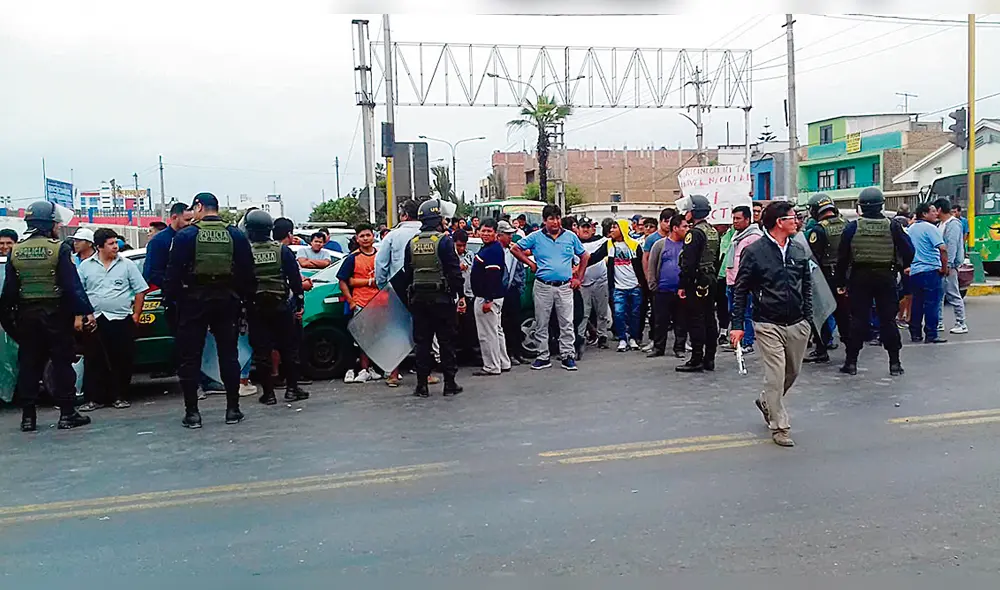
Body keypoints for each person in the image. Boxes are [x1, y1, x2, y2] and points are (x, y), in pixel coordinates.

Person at [0, 201, 94, 432]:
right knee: (62, 364)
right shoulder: (59, 249)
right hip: (56, 316)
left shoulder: (16, 251)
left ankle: (28, 418)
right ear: (48, 224)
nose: (58, 226)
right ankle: (67, 414)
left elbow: (9, 292)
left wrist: (12, 326)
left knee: (29, 366)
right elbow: (72, 286)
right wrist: (85, 312)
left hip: (26, 317)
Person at [164, 192, 255, 428]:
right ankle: (233, 410)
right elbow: (248, 273)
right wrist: (243, 301)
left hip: (193, 301)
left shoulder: (186, 235)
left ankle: (192, 413)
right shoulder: (235, 235)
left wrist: (171, 301)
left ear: (199, 206)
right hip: (227, 301)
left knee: (190, 358)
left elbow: (172, 273)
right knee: (229, 355)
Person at [730, 201, 813, 448]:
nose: (796, 221)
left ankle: (767, 402)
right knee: (775, 376)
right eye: (792, 217)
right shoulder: (755, 252)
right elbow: (741, 290)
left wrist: (807, 319)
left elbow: (807, 285)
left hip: (797, 324)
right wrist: (737, 324)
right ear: (780, 222)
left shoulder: (799, 249)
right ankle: (780, 426)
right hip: (767, 324)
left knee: (792, 372)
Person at [836, 187, 913, 377]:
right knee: (888, 320)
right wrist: (901, 264)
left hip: (859, 277)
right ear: (882, 205)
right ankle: (895, 363)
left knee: (858, 320)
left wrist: (840, 282)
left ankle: (851, 363)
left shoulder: (853, 227)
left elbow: (842, 257)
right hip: (886, 276)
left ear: (860, 206)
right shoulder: (893, 226)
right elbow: (909, 250)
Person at [76, 228, 148, 412]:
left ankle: (120, 396)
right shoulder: (85, 266)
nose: (116, 247)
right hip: (94, 320)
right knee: (94, 360)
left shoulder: (126, 265)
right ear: (99, 246)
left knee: (121, 359)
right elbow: (78, 293)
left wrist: (136, 314)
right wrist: (81, 315)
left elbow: (140, 290)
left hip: (120, 319)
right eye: (111, 243)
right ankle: (94, 398)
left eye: (116, 243)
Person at [510, 204, 589, 371]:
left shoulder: (570, 237)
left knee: (567, 322)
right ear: (545, 220)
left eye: (558, 218)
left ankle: (567, 355)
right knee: (541, 322)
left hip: (565, 286)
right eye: (551, 218)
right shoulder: (536, 237)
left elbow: (584, 256)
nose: (555, 222)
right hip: (543, 286)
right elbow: (515, 249)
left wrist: (579, 278)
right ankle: (542, 356)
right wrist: (531, 263)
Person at [243, 210, 308, 405]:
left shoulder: (245, 252)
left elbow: (241, 280)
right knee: (288, 348)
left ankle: (268, 394)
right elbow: (295, 280)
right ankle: (292, 389)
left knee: (262, 352)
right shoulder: (282, 250)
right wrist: (299, 301)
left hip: (256, 308)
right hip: (281, 306)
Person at [404, 198, 465, 397]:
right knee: (446, 342)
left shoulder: (412, 243)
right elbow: (454, 272)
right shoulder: (444, 241)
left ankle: (422, 385)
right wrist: (460, 294)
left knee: (422, 343)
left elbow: (407, 272)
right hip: (442, 299)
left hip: (419, 300)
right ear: (437, 220)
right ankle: (450, 384)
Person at [375, 200, 425, 387]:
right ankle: (425, 374)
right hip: (423, 289)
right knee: (423, 331)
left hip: (396, 289)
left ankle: (393, 374)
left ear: (403, 216)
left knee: (396, 330)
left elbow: (381, 264)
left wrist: (382, 286)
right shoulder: (428, 234)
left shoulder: (392, 236)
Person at [675, 194, 720, 373]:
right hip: (710, 278)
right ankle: (709, 358)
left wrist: (683, 285)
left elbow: (689, 263)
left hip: (697, 281)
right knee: (709, 319)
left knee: (696, 320)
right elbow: (715, 258)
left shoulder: (694, 233)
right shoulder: (712, 231)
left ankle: (696, 358)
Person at [802, 194, 849, 364]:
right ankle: (851, 352)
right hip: (845, 276)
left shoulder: (818, 230)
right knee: (845, 315)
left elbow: (814, 256)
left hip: (825, 276)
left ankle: (822, 349)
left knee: (820, 313)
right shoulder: (847, 224)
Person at [337, 223, 383, 383]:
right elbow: (343, 281)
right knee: (361, 339)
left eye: (368, 235)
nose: (365, 239)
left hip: (379, 304)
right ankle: (362, 369)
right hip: (361, 304)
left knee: (376, 339)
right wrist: (350, 301)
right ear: (357, 239)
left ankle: (372, 368)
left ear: (373, 236)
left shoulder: (381, 255)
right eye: (362, 236)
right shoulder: (352, 258)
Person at [470, 219, 511, 376]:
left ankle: (492, 366)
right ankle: (503, 362)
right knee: (496, 331)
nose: (486, 234)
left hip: (488, 298)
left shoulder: (492, 250)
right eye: (483, 231)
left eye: (489, 231)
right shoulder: (490, 248)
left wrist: (488, 300)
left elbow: (493, 276)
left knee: (487, 334)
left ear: (496, 233)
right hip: (493, 297)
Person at [645, 214, 689, 358]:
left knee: (681, 320)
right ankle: (658, 347)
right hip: (662, 290)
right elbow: (652, 265)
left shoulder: (687, 245)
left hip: (681, 291)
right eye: (684, 226)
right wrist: (652, 285)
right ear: (675, 228)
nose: (687, 229)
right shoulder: (660, 245)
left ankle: (680, 347)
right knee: (660, 321)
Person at [906, 202, 949, 345]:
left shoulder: (911, 229)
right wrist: (944, 267)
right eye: (932, 211)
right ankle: (931, 334)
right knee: (932, 304)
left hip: (915, 272)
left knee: (917, 303)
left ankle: (915, 333)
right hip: (930, 271)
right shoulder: (930, 228)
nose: (936, 213)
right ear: (924, 214)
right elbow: (942, 249)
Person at [724, 205, 763, 354]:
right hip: (732, 280)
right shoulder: (736, 235)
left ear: (748, 219)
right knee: (734, 312)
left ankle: (747, 342)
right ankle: (736, 341)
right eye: (733, 218)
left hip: (744, 283)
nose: (735, 221)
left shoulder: (754, 237)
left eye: (738, 218)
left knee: (745, 313)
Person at [576, 217, 611, 351]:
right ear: (578, 229)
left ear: (593, 229)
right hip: (583, 283)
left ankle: (603, 336)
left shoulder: (602, 241)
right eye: (583, 227)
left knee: (602, 312)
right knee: (583, 313)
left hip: (600, 281)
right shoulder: (574, 243)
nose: (586, 229)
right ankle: (580, 338)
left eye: (588, 227)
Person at [608, 219, 643, 352]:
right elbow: (595, 257)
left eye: (614, 227)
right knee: (618, 313)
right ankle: (622, 338)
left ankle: (633, 338)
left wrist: (642, 282)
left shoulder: (634, 245)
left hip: (634, 286)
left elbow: (641, 264)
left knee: (635, 314)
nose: (611, 230)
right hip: (618, 287)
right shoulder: (609, 245)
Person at [935, 198, 968, 335]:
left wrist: (948, 264)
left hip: (949, 265)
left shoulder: (953, 224)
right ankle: (939, 322)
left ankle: (961, 323)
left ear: (939, 209)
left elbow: (952, 245)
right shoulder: (941, 224)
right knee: (939, 295)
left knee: (953, 294)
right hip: (942, 264)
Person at [143, 202, 193, 289]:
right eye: (187, 220)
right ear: (174, 217)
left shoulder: (192, 237)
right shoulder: (158, 241)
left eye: (192, 220)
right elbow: (151, 273)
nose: (190, 223)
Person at [497, 220, 527, 364]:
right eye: (507, 234)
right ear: (500, 235)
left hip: (512, 291)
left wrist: (519, 288)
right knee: (503, 325)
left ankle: (518, 352)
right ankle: (507, 354)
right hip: (499, 293)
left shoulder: (513, 250)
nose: (510, 237)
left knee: (515, 323)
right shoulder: (495, 251)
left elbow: (520, 271)